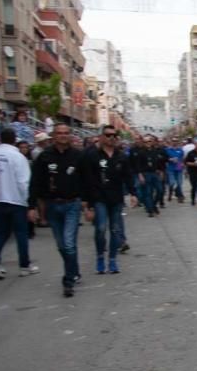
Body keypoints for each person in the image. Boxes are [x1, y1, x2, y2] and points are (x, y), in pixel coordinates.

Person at [30, 124, 84, 297]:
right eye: (59, 133)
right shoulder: (44, 156)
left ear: (70, 135)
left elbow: (87, 179)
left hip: (72, 204)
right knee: (62, 245)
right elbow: (35, 182)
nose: (63, 136)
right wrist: (32, 207)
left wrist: (88, 203)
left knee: (68, 244)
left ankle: (68, 280)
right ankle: (74, 270)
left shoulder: (77, 155)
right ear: (53, 136)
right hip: (52, 205)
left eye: (66, 133)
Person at [0, 128, 38, 279]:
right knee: (21, 234)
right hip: (16, 199)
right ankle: (24, 265)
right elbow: (23, 182)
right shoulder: (18, 157)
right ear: (14, 140)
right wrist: (29, 203)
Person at [82, 125, 136, 275]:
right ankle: (100, 257)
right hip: (99, 198)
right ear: (101, 137)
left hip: (116, 198)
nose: (111, 138)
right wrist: (86, 203)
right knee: (100, 228)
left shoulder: (121, 156)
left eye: (114, 135)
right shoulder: (93, 155)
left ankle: (112, 259)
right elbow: (87, 179)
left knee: (115, 230)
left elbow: (128, 175)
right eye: (108, 135)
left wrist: (133, 193)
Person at [164, 138, 185, 203]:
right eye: (173, 141)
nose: (174, 142)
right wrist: (170, 159)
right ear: (171, 142)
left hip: (178, 168)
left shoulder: (180, 150)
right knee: (172, 183)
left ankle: (180, 197)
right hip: (171, 169)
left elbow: (182, 159)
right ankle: (170, 193)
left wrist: (182, 164)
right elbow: (164, 158)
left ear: (177, 142)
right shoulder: (167, 150)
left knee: (179, 183)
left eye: (176, 141)